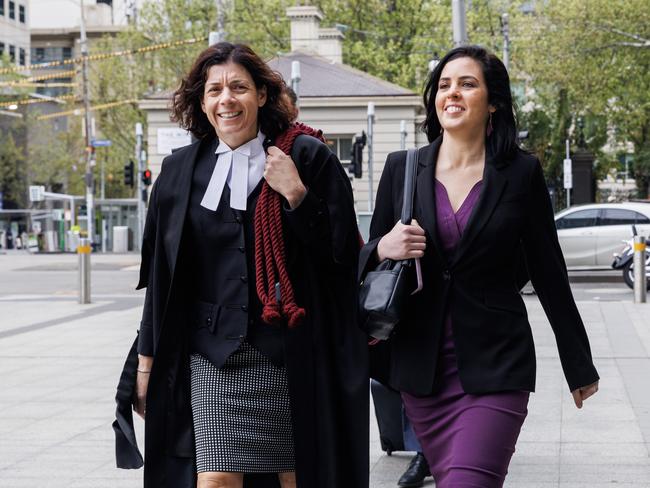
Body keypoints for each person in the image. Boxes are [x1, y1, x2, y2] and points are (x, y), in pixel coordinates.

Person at [115, 42, 368, 488]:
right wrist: (145, 367)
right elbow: (162, 282)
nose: (226, 99)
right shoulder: (178, 173)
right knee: (214, 480)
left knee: (297, 478)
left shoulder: (306, 158)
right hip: (211, 357)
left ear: (262, 96)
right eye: (214, 90)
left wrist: (297, 197)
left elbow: (343, 257)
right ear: (202, 102)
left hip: (291, 352)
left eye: (238, 87)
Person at [359, 45, 599, 488]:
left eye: (467, 84)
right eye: (445, 85)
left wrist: (578, 363)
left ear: (493, 102)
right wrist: (383, 247)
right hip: (422, 370)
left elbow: (548, 269)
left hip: (497, 364)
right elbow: (367, 261)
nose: (452, 93)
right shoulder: (402, 168)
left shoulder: (521, 172)